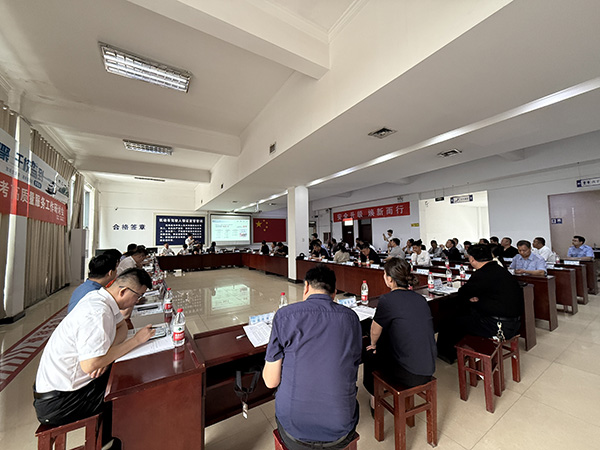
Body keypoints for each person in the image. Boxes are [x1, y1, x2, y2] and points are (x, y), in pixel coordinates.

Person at [33, 269, 155, 441]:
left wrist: (105, 356)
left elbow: (122, 327)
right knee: (128, 390)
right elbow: (90, 365)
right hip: (60, 401)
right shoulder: (97, 312)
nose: (137, 301)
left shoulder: (102, 299)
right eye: (138, 296)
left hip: (65, 388)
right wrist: (136, 341)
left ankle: (111, 438)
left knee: (124, 374)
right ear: (123, 291)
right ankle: (115, 442)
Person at [263, 264, 361, 450]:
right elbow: (353, 364)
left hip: (294, 431)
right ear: (335, 293)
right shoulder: (351, 318)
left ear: (306, 286)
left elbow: (270, 382)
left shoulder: (285, 316)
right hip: (340, 431)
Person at [363, 258, 436, 410]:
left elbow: (374, 330)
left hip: (409, 373)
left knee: (371, 353)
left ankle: (374, 400)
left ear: (390, 279)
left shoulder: (388, 299)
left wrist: (374, 344)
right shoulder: (420, 298)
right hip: (428, 368)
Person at [436, 244, 523, 363]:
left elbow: (463, 293)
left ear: (472, 259)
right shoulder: (500, 269)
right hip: (514, 323)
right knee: (463, 312)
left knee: (450, 319)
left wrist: (474, 299)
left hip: (498, 326)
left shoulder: (482, 274)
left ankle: (448, 354)